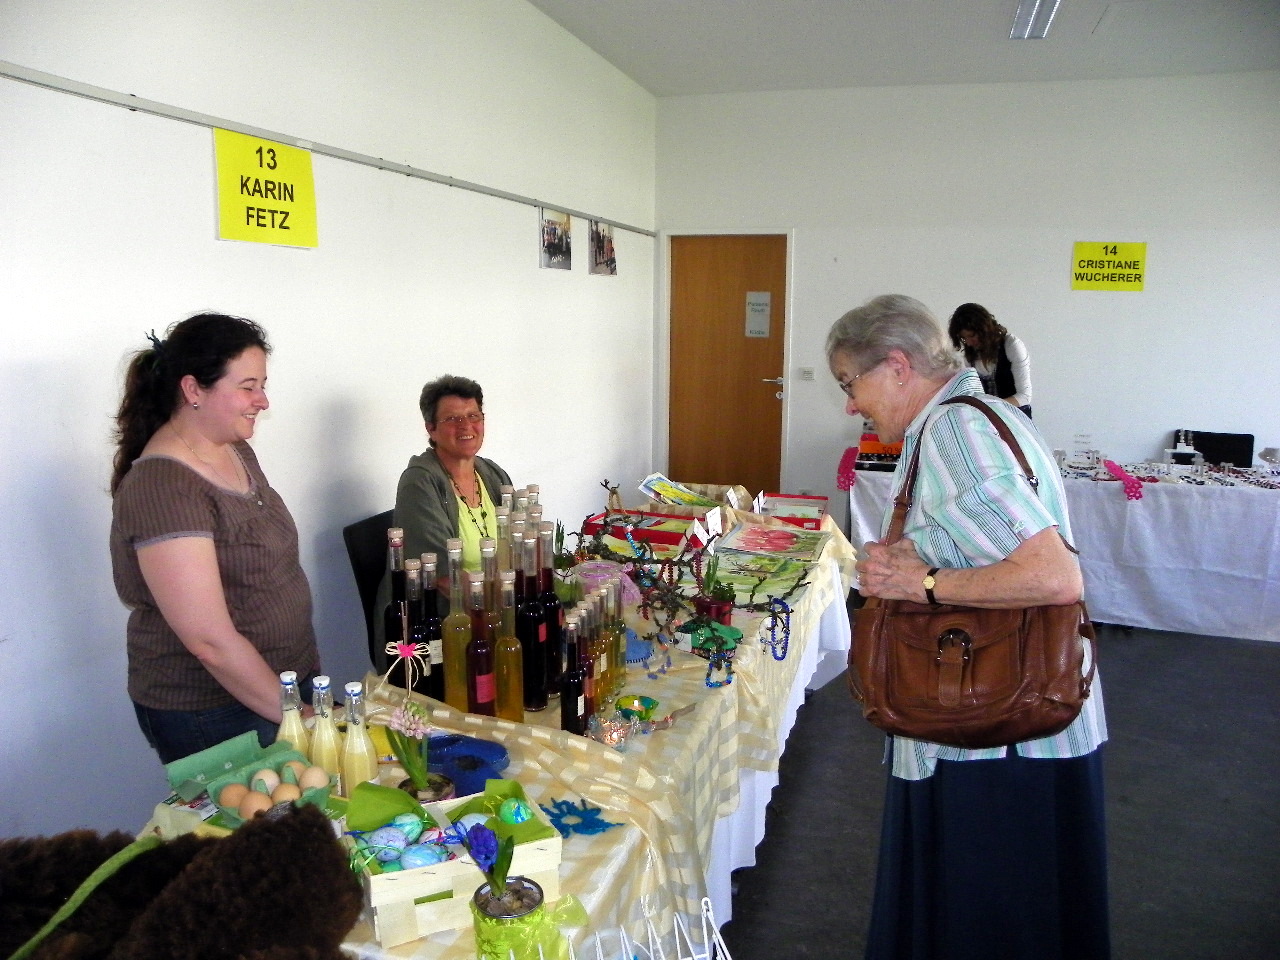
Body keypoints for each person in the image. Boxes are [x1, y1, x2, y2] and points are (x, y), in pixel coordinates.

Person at [828, 295, 1109, 960]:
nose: (850, 405)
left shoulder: (956, 434)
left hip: (995, 731)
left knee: (987, 913)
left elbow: (1054, 577)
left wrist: (923, 583)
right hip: (1008, 715)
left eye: (849, 384)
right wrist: (917, 559)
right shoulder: (980, 416)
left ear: (897, 366)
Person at [110, 313, 321, 764]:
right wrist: (300, 716)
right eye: (247, 386)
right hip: (215, 712)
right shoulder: (164, 486)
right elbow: (210, 641)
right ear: (193, 389)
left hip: (280, 688)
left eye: (262, 385)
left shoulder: (235, 449)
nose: (262, 400)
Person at [373, 374, 512, 653]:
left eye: (473, 415)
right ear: (431, 429)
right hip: (439, 630)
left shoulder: (492, 474)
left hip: (490, 615)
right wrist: (508, 610)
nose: (466, 426)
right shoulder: (419, 482)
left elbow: (520, 549)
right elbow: (448, 581)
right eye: (452, 419)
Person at [948, 302, 1033, 417]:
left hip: (1016, 418)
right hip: (987, 419)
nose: (968, 342)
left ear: (984, 329)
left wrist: (988, 408)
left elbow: (1024, 396)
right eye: (964, 338)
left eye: (972, 336)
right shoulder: (970, 355)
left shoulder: (1011, 345)